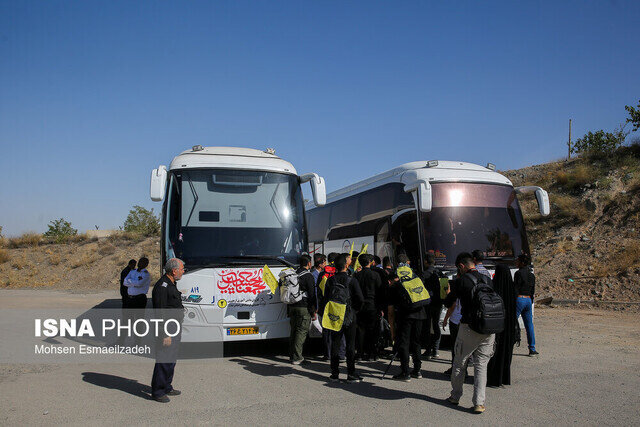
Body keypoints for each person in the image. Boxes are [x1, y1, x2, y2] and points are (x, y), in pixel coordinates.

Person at [444, 252, 495, 414]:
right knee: (481, 365)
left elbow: (449, 302)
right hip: (488, 327)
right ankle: (479, 403)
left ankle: (455, 396)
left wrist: (447, 293)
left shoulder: (462, 281)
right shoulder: (487, 279)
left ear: (461, 266)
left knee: (460, 362)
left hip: (469, 327)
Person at [321, 254, 364, 382]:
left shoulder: (330, 280)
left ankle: (335, 373)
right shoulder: (352, 280)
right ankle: (351, 373)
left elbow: (326, 299)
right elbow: (360, 299)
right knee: (350, 345)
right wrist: (355, 310)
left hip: (335, 315)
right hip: (349, 315)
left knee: (335, 343)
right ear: (346, 265)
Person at [151, 258, 185, 403]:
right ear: (174, 270)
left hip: (175, 326)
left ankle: (167, 386)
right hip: (167, 328)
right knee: (164, 359)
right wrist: (165, 334)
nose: (183, 271)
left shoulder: (171, 283)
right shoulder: (162, 286)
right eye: (182, 269)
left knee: (171, 359)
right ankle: (158, 391)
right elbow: (160, 312)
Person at [388, 254, 427, 382]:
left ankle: (405, 372)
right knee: (416, 342)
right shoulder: (414, 274)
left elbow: (391, 309)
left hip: (405, 315)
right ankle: (417, 370)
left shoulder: (395, 277)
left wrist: (392, 329)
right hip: (420, 312)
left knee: (404, 343)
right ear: (408, 262)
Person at [487, 264, 517, 387]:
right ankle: (503, 377)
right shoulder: (512, 291)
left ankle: (493, 378)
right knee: (505, 352)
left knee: (494, 351)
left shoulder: (495, 290)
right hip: (508, 328)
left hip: (497, 326)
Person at [288, 254, 317, 364]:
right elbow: (311, 294)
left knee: (294, 331)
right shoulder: (308, 276)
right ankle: (297, 357)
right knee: (301, 332)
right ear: (309, 263)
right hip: (303, 307)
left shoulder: (293, 273)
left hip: (292, 306)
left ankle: (292, 355)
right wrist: (313, 309)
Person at [354, 254, 383, 361]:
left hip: (360, 306)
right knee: (372, 330)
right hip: (373, 305)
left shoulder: (357, 275)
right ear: (370, 262)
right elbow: (380, 292)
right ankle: (372, 353)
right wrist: (380, 308)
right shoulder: (375, 275)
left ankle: (360, 353)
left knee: (361, 330)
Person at [317, 252, 345, 361]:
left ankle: (328, 354)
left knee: (327, 331)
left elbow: (319, 292)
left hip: (326, 306)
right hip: (338, 305)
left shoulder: (323, 274)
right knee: (339, 329)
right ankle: (341, 354)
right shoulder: (338, 274)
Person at [514, 254, 538, 356]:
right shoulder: (531, 275)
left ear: (522, 262)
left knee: (512, 322)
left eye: (518, 261)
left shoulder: (518, 273)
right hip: (528, 300)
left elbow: (516, 288)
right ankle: (532, 348)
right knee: (529, 325)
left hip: (519, 299)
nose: (516, 262)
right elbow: (532, 291)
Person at [421, 253, 442, 359]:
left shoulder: (425, 274)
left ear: (426, 262)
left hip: (428, 303)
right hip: (439, 302)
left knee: (427, 326)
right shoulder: (440, 272)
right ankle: (436, 349)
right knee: (436, 325)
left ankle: (428, 350)